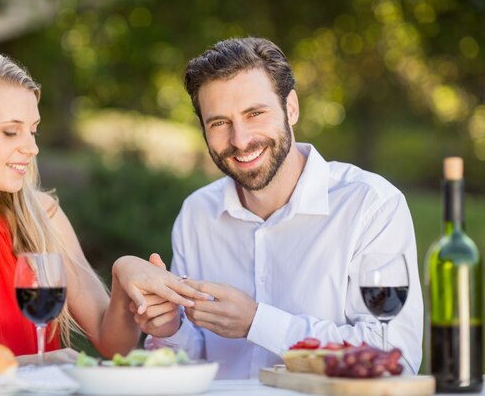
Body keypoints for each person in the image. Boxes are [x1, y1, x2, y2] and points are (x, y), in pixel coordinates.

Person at [0, 52, 204, 365]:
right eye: (10, 132)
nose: (31, 148)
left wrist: (124, 274)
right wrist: (35, 365)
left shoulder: (43, 217)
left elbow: (114, 343)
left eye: (33, 131)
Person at [135, 37, 423, 379]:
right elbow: (194, 359)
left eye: (254, 113)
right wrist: (169, 329)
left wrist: (258, 322)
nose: (240, 140)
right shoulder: (197, 214)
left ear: (291, 108)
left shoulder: (370, 206)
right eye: (219, 123)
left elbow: (394, 357)